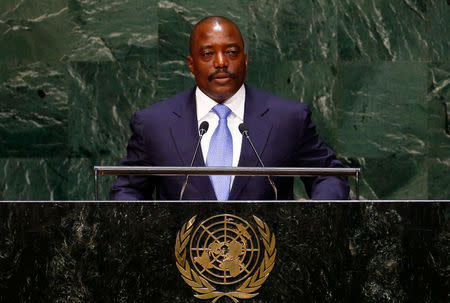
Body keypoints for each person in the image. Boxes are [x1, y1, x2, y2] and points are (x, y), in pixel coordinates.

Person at [110, 16, 349, 200]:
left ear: (244, 60)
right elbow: (128, 190)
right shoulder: (154, 124)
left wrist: (319, 211)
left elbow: (329, 174)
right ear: (192, 65)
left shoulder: (288, 118)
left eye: (231, 52)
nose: (221, 62)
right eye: (207, 54)